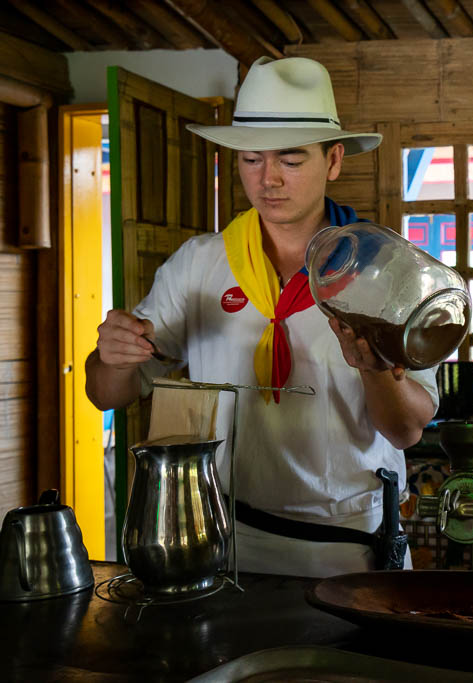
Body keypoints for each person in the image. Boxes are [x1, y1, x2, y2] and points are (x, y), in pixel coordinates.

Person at [84, 56, 438, 577]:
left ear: (334, 160)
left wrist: (374, 367)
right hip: (223, 545)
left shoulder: (384, 271)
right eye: (251, 159)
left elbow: (406, 431)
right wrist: (112, 358)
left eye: (291, 161)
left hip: (351, 548)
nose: (268, 179)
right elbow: (106, 393)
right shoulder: (201, 264)